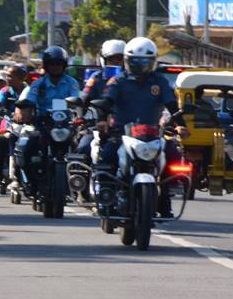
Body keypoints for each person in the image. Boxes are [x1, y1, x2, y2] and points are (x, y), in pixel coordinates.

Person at [97, 37, 186, 218]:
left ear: (152, 61)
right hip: (122, 132)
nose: (141, 66)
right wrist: (102, 120)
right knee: (106, 155)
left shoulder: (159, 81)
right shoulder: (117, 80)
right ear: (127, 61)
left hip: (152, 133)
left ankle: (165, 198)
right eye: (136, 61)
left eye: (145, 61)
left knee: (174, 155)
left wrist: (181, 125)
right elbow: (106, 101)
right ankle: (106, 198)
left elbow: (172, 105)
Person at [12, 47, 80, 194]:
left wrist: (77, 108)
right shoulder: (38, 84)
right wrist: (25, 112)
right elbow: (29, 100)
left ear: (64, 65)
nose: (55, 67)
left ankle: (80, 185)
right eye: (52, 64)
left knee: (80, 150)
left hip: (65, 124)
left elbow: (77, 99)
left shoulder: (72, 83)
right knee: (29, 148)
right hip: (43, 124)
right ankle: (30, 182)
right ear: (46, 65)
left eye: (58, 64)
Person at [76, 39, 127, 156]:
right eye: (111, 59)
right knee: (84, 147)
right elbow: (84, 99)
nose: (115, 62)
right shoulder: (96, 78)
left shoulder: (131, 79)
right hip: (97, 125)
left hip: (126, 128)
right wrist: (80, 117)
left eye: (119, 59)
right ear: (104, 60)